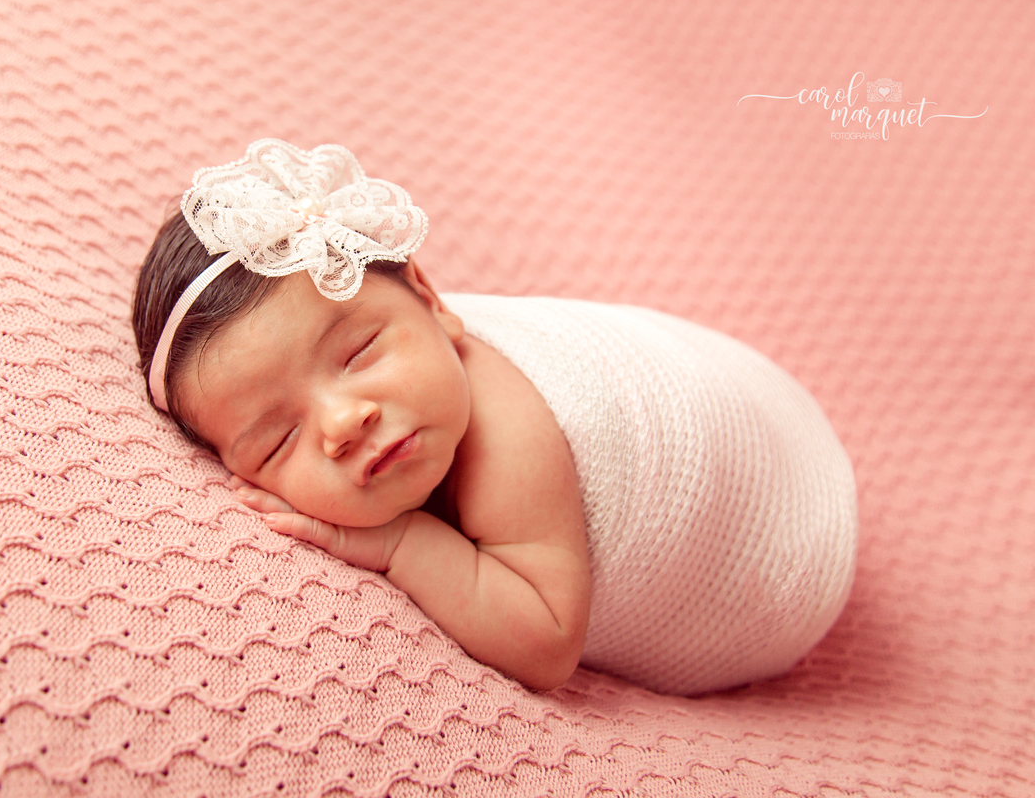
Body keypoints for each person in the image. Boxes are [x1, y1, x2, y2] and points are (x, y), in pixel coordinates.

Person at [132, 139, 858, 694]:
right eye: (279, 439)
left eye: (358, 355)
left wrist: (403, 545)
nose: (344, 421)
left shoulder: (511, 437)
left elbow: (546, 643)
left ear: (433, 300)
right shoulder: (414, 362)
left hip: (784, 536)